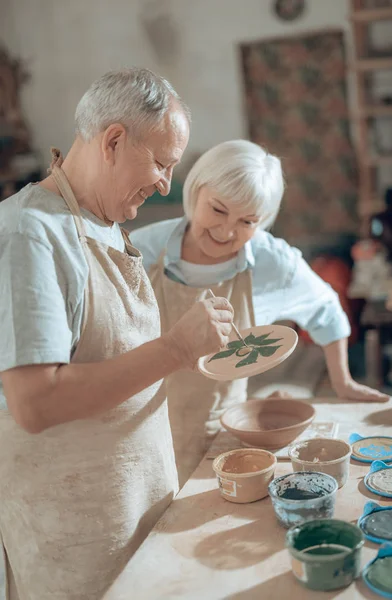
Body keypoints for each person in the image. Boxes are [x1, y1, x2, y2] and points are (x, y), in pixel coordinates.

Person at [0, 69, 234, 600]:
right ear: (112, 141)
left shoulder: (102, 222)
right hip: (75, 544)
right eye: (161, 163)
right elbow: (34, 403)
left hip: (136, 517)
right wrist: (175, 348)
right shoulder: (29, 233)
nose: (166, 185)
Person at [130, 139, 389, 486]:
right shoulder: (139, 250)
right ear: (196, 191)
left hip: (226, 428)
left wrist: (342, 382)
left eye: (247, 221)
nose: (227, 231)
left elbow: (325, 306)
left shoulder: (270, 261)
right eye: (218, 210)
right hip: (142, 427)